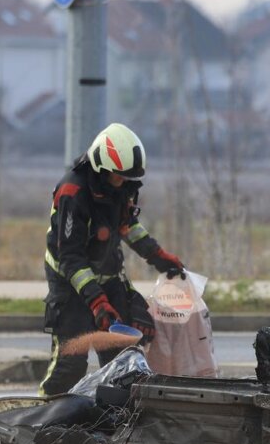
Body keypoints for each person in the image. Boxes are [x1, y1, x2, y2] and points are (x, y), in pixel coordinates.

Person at [40, 123, 185, 396]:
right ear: (101, 167)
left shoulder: (121, 187)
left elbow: (127, 226)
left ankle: (114, 424)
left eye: (126, 179)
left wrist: (159, 257)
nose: (123, 182)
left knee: (124, 361)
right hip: (70, 283)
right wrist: (97, 304)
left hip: (109, 278)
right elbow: (70, 258)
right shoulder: (73, 192)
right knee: (70, 364)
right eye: (118, 176)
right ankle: (43, 417)